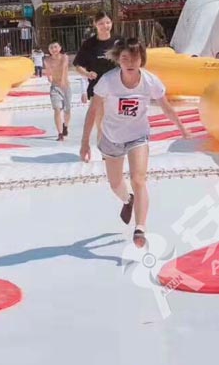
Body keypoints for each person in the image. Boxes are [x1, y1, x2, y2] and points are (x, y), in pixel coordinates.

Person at [80, 38, 189, 248]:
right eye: (125, 58)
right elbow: (93, 110)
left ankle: (140, 227)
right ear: (118, 60)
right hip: (111, 137)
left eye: (135, 58)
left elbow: (166, 107)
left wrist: (182, 127)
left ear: (142, 60)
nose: (130, 63)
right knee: (115, 184)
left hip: (138, 136)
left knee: (139, 179)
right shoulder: (108, 81)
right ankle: (128, 200)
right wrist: (85, 143)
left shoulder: (150, 81)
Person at [43, 41, 71, 141]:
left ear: (60, 48)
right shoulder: (47, 60)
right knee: (57, 109)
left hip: (65, 86)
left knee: (67, 110)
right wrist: (49, 77)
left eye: (55, 47)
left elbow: (64, 68)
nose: (53, 50)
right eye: (51, 48)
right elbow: (48, 71)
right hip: (55, 86)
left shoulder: (64, 57)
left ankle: (65, 126)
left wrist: (63, 80)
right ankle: (59, 133)